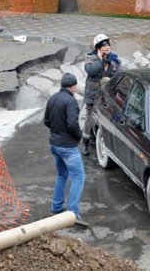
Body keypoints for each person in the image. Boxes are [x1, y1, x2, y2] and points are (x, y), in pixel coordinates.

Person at [44, 73, 88, 227]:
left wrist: (57, 133)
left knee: (62, 174)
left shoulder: (53, 98)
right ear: (73, 86)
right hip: (67, 147)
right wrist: (79, 136)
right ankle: (73, 213)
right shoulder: (71, 102)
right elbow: (72, 124)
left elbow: (46, 121)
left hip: (54, 144)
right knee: (79, 177)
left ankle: (56, 208)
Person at [81, 33, 121, 156]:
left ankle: (98, 139)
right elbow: (91, 71)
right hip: (92, 94)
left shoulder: (114, 60)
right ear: (98, 47)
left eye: (108, 44)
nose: (107, 47)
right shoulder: (91, 58)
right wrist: (100, 60)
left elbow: (118, 75)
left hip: (106, 95)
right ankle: (85, 143)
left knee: (106, 118)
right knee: (89, 118)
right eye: (104, 45)